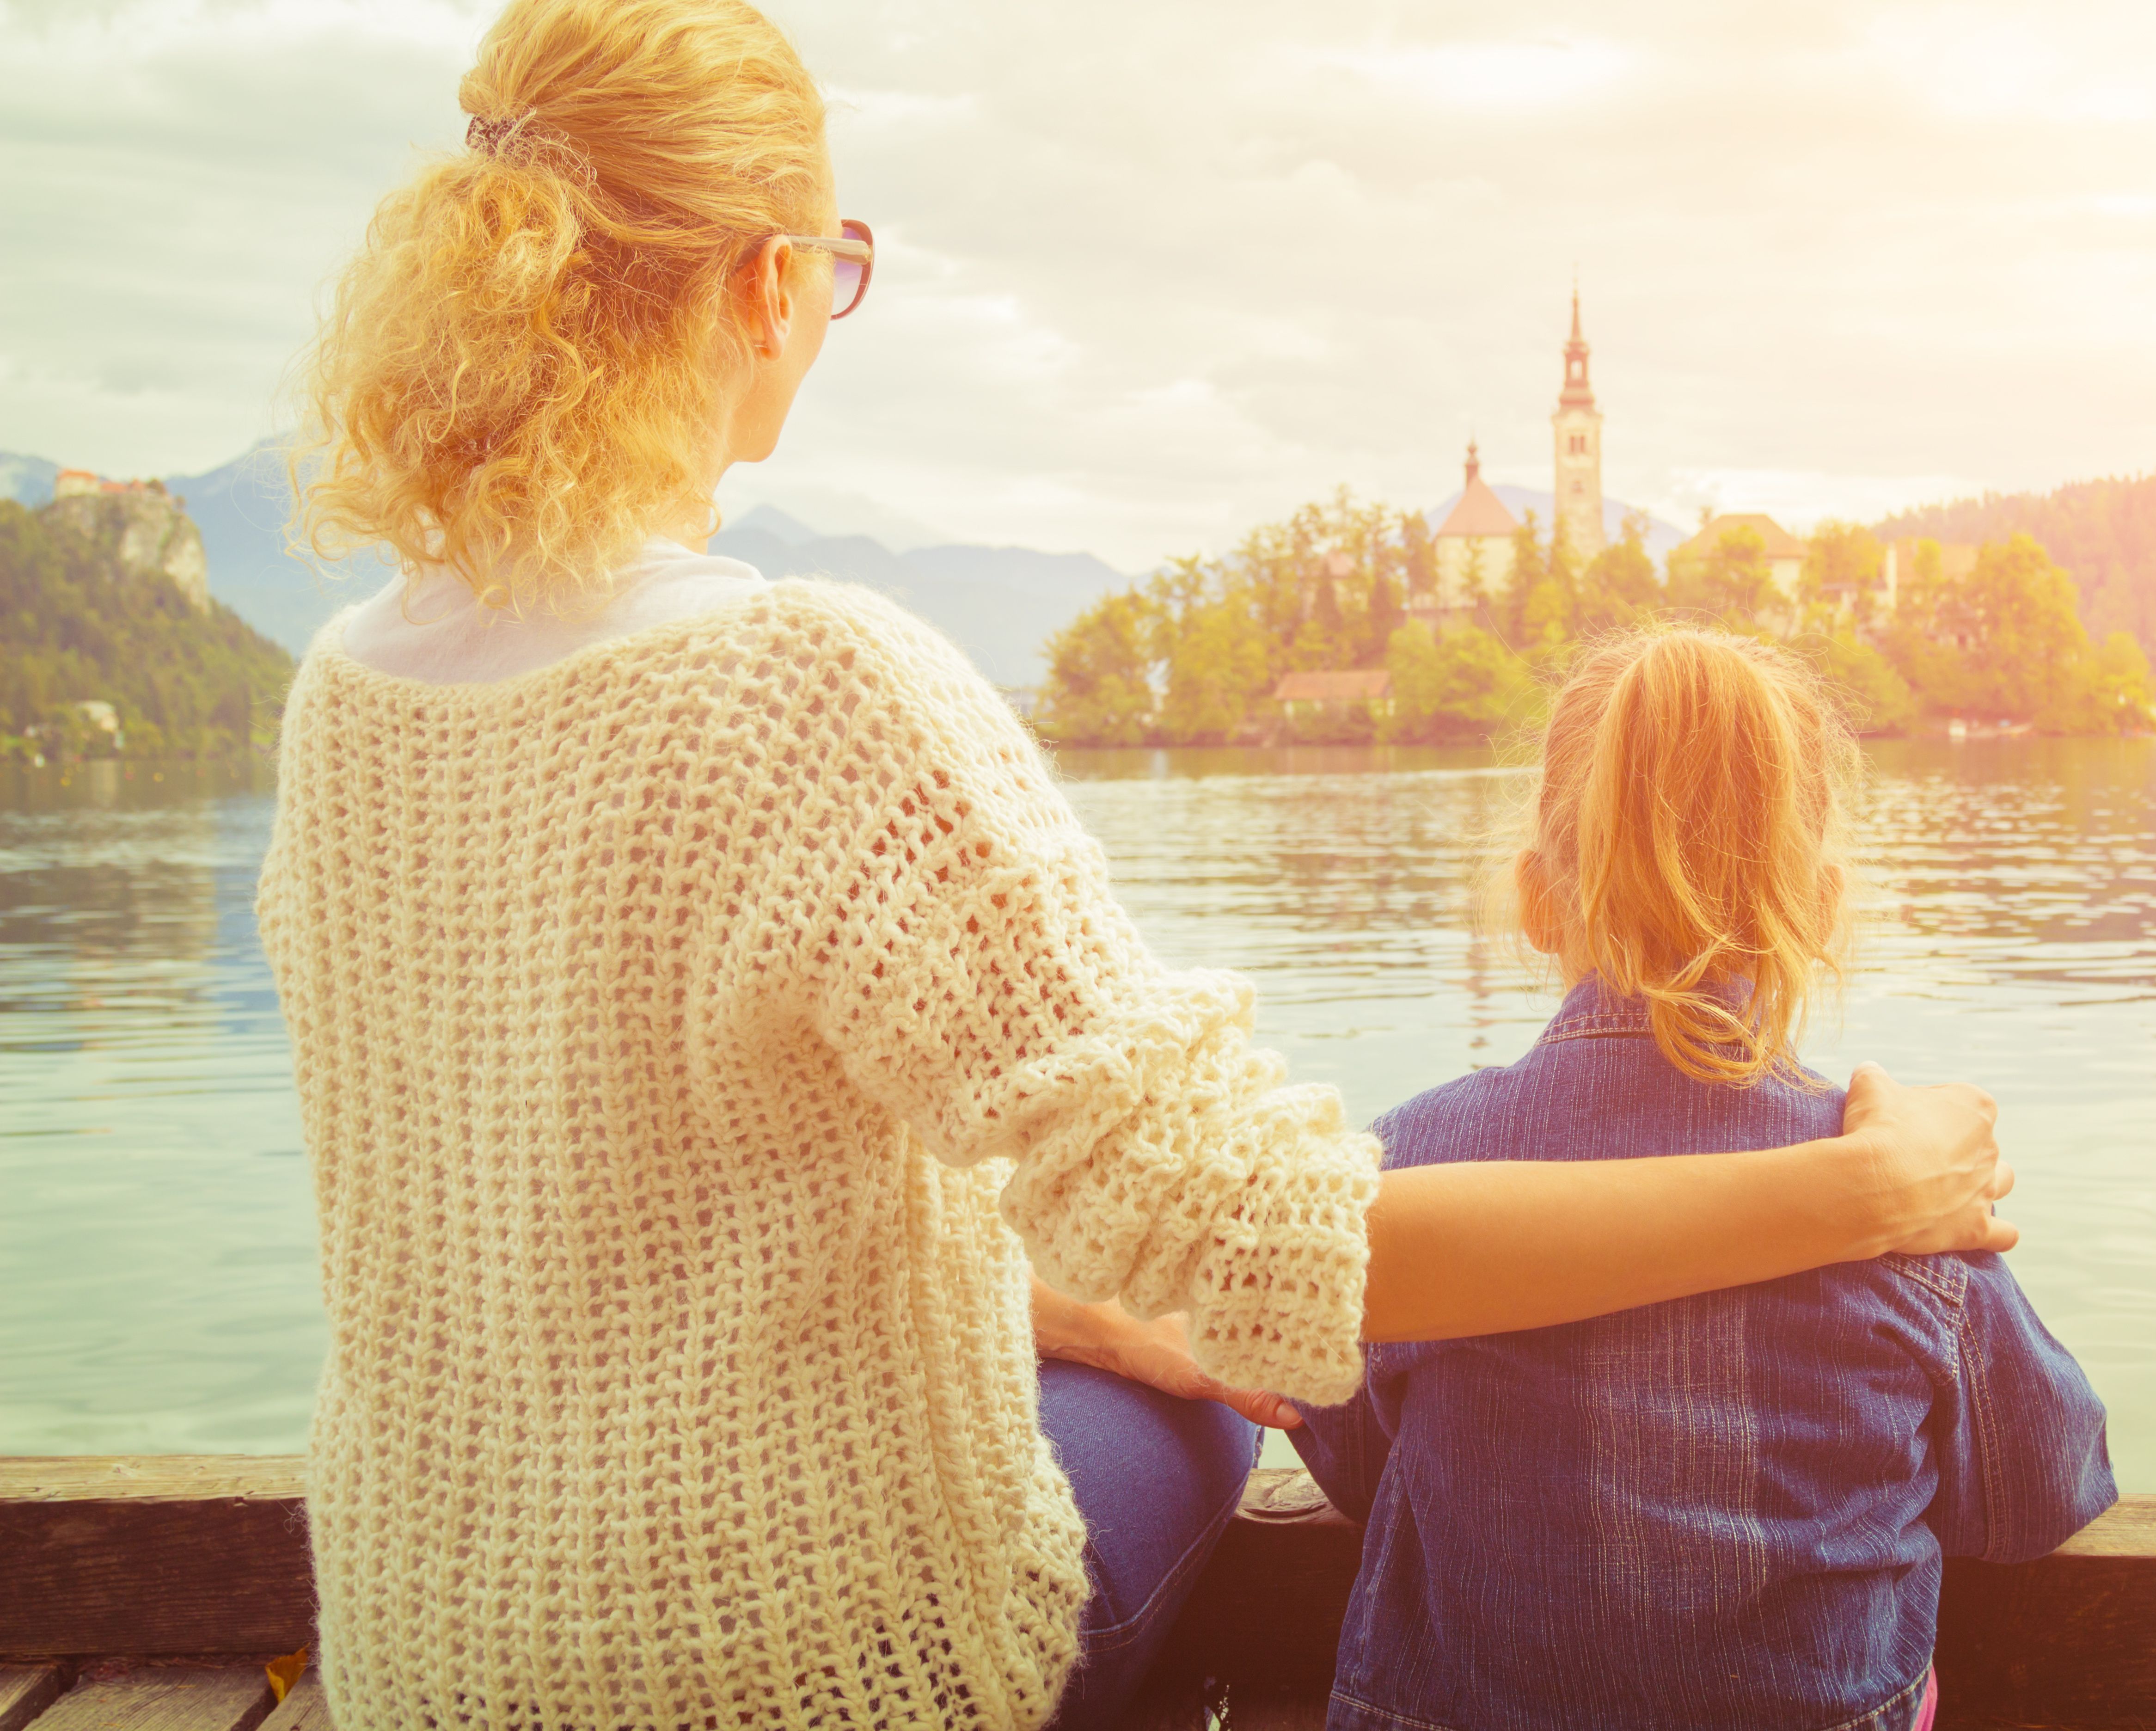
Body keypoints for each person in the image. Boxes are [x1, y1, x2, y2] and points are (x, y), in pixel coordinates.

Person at [259, 4, 2020, 1726]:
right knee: (1211, 1398)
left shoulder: (345, 698)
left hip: (429, 1656)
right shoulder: (806, 686)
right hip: (778, 1680)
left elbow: (627, 1219)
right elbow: (1285, 1244)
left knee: (1143, 1334)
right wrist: (1869, 1195)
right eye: (837, 260)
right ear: (765, 282)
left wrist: (1073, 1312)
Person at [1291, 630, 2117, 1731]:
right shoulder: (1908, 1199)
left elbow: (1351, 1463)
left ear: (1538, 903)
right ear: (1819, 910)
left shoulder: (1416, 1165)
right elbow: (2037, 1490)